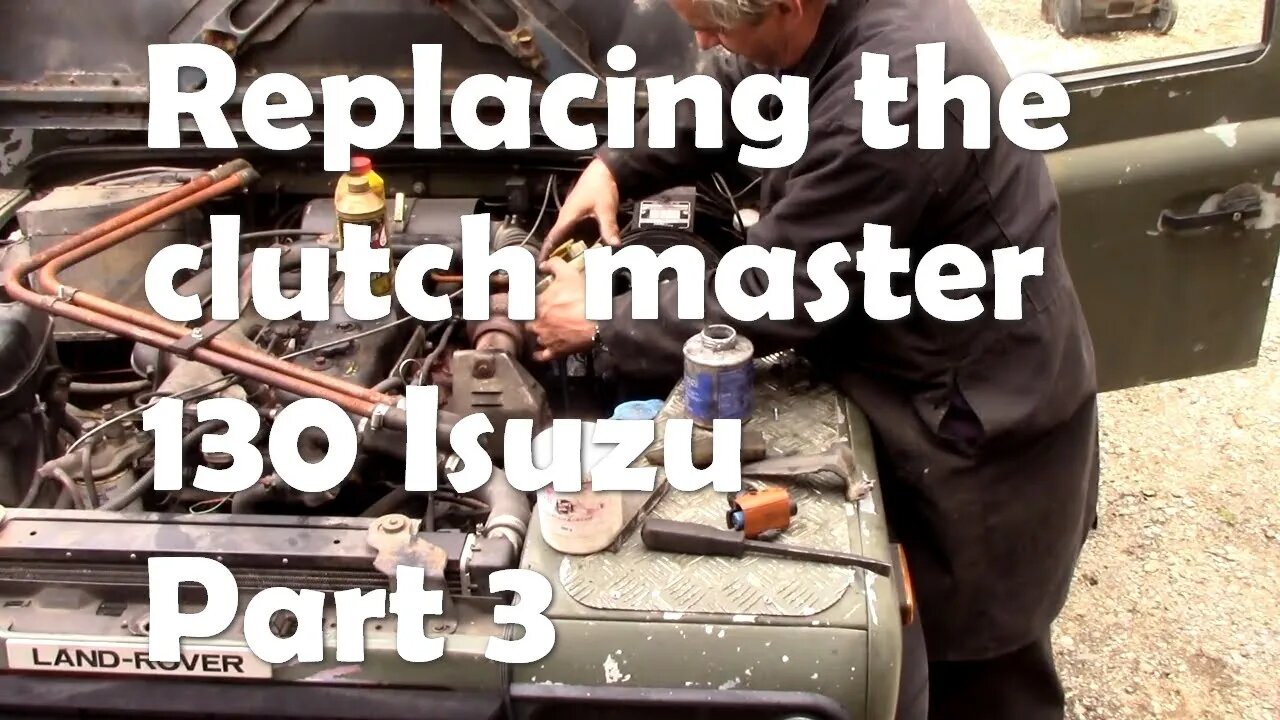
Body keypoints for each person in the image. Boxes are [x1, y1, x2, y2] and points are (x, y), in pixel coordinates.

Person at [528, 0, 1100, 718]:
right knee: (908, 646)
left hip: (971, 414)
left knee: (979, 664)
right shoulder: (817, 22)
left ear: (788, 6)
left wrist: (605, 321)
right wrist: (618, 165)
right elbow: (738, 80)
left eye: (715, 25)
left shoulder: (897, 94)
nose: (700, 39)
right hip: (904, 356)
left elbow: (784, 286)